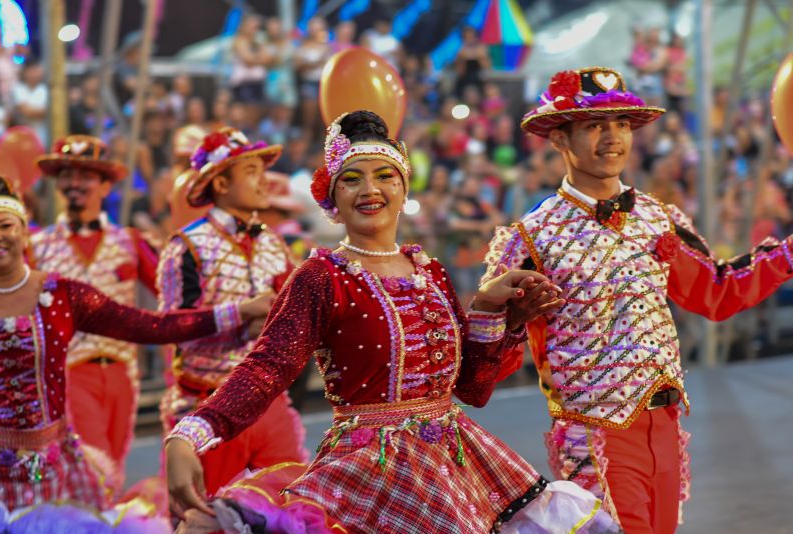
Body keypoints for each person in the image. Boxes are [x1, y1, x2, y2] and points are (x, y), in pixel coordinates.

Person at [165, 111, 621, 533]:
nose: (370, 190)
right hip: (369, 471)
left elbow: (471, 390)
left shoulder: (430, 271)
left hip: (458, 463)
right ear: (332, 198)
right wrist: (188, 436)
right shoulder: (320, 277)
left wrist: (493, 314)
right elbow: (266, 367)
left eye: (385, 176)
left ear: (404, 190)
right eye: (352, 180)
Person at [485, 66, 793, 533]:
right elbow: (489, 364)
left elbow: (716, 291)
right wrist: (500, 319)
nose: (612, 139)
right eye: (594, 126)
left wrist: (789, 252)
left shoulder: (656, 217)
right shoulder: (532, 238)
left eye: (622, 125)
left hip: (665, 426)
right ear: (559, 139)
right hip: (594, 435)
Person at [0, 174, 271, 527]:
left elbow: (150, 325)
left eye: (5, 225)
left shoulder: (60, 294)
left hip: (57, 470)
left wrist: (238, 311)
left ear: (22, 229)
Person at [157, 127, 308, 497]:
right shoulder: (187, 246)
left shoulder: (273, 242)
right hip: (210, 404)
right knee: (209, 514)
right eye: (252, 172)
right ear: (221, 185)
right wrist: (241, 313)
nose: (264, 181)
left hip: (269, 402)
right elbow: (172, 327)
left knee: (291, 507)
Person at [29, 135, 160, 493]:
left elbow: (173, 293)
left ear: (105, 186)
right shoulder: (35, 248)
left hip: (123, 375)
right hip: (68, 374)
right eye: (67, 175)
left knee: (112, 469)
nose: (74, 184)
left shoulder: (130, 241)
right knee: (94, 470)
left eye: (86, 176)